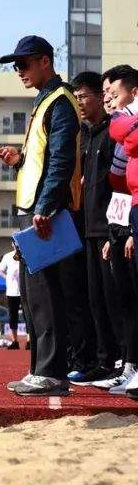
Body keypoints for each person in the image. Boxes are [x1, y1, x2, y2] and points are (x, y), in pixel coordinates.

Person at [0, 35, 79, 397]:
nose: (19, 72)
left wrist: (45, 207)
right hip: (37, 210)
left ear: (46, 61)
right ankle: (40, 370)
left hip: (47, 213)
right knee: (34, 296)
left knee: (46, 295)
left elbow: (61, 161)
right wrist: (20, 161)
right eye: (16, 66)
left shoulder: (60, 101)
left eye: (24, 64)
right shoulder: (43, 102)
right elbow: (43, 161)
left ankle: (51, 372)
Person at [70, 71, 121, 381]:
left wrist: (115, 229)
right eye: (76, 99)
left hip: (108, 228)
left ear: (101, 97)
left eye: (84, 97)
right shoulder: (85, 136)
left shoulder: (114, 133)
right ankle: (101, 362)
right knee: (93, 298)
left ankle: (118, 362)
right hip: (87, 229)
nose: (80, 103)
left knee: (113, 297)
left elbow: (119, 184)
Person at [104, 64, 138, 396]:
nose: (108, 101)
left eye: (114, 94)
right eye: (105, 95)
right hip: (124, 220)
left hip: (131, 220)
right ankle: (126, 366)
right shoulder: (118, 126)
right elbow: (119, 185)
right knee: (123, 300)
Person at [0, 248, 23, 350]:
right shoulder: (7, 256)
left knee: (28, 316)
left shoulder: (26, 252)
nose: (16, 245)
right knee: (13, 316)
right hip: (12, 291)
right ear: (12, 244)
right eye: (14, 243)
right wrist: (6, 276)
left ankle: (30, 341)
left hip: (25, 290)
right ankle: (14, 341)